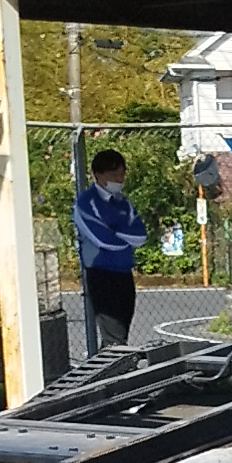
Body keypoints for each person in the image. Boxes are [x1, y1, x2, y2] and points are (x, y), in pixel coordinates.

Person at [73, 148, 147, 359]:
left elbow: (140, 236)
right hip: (100, 272)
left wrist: (114, 230)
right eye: (114, 175)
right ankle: (111, 375)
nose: (119, 179)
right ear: (98, 175)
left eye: (122, 174)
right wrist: (121, 236)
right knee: (113, 334)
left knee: (122, 330)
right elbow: (102, 239)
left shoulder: (123, 203)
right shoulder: (86, 202)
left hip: (124, 272)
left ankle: (114, 372)